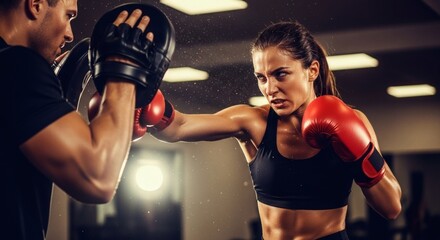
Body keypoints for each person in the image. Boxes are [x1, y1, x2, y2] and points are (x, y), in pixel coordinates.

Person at [145, 20, 402, 239]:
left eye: (281, 74)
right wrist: (139, 90)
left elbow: (391, 207)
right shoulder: (252, 122)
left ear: (312, 70)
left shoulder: (352, 120)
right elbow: (178, 127)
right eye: (261, 77)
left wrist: (359, 152)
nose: (269, 89)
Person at [0, 0, 158, 239]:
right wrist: (123, 68)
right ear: (35, 4)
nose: (70, 34)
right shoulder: (17, 65)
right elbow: (97, 178)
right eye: (68, 16)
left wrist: (56, 100)